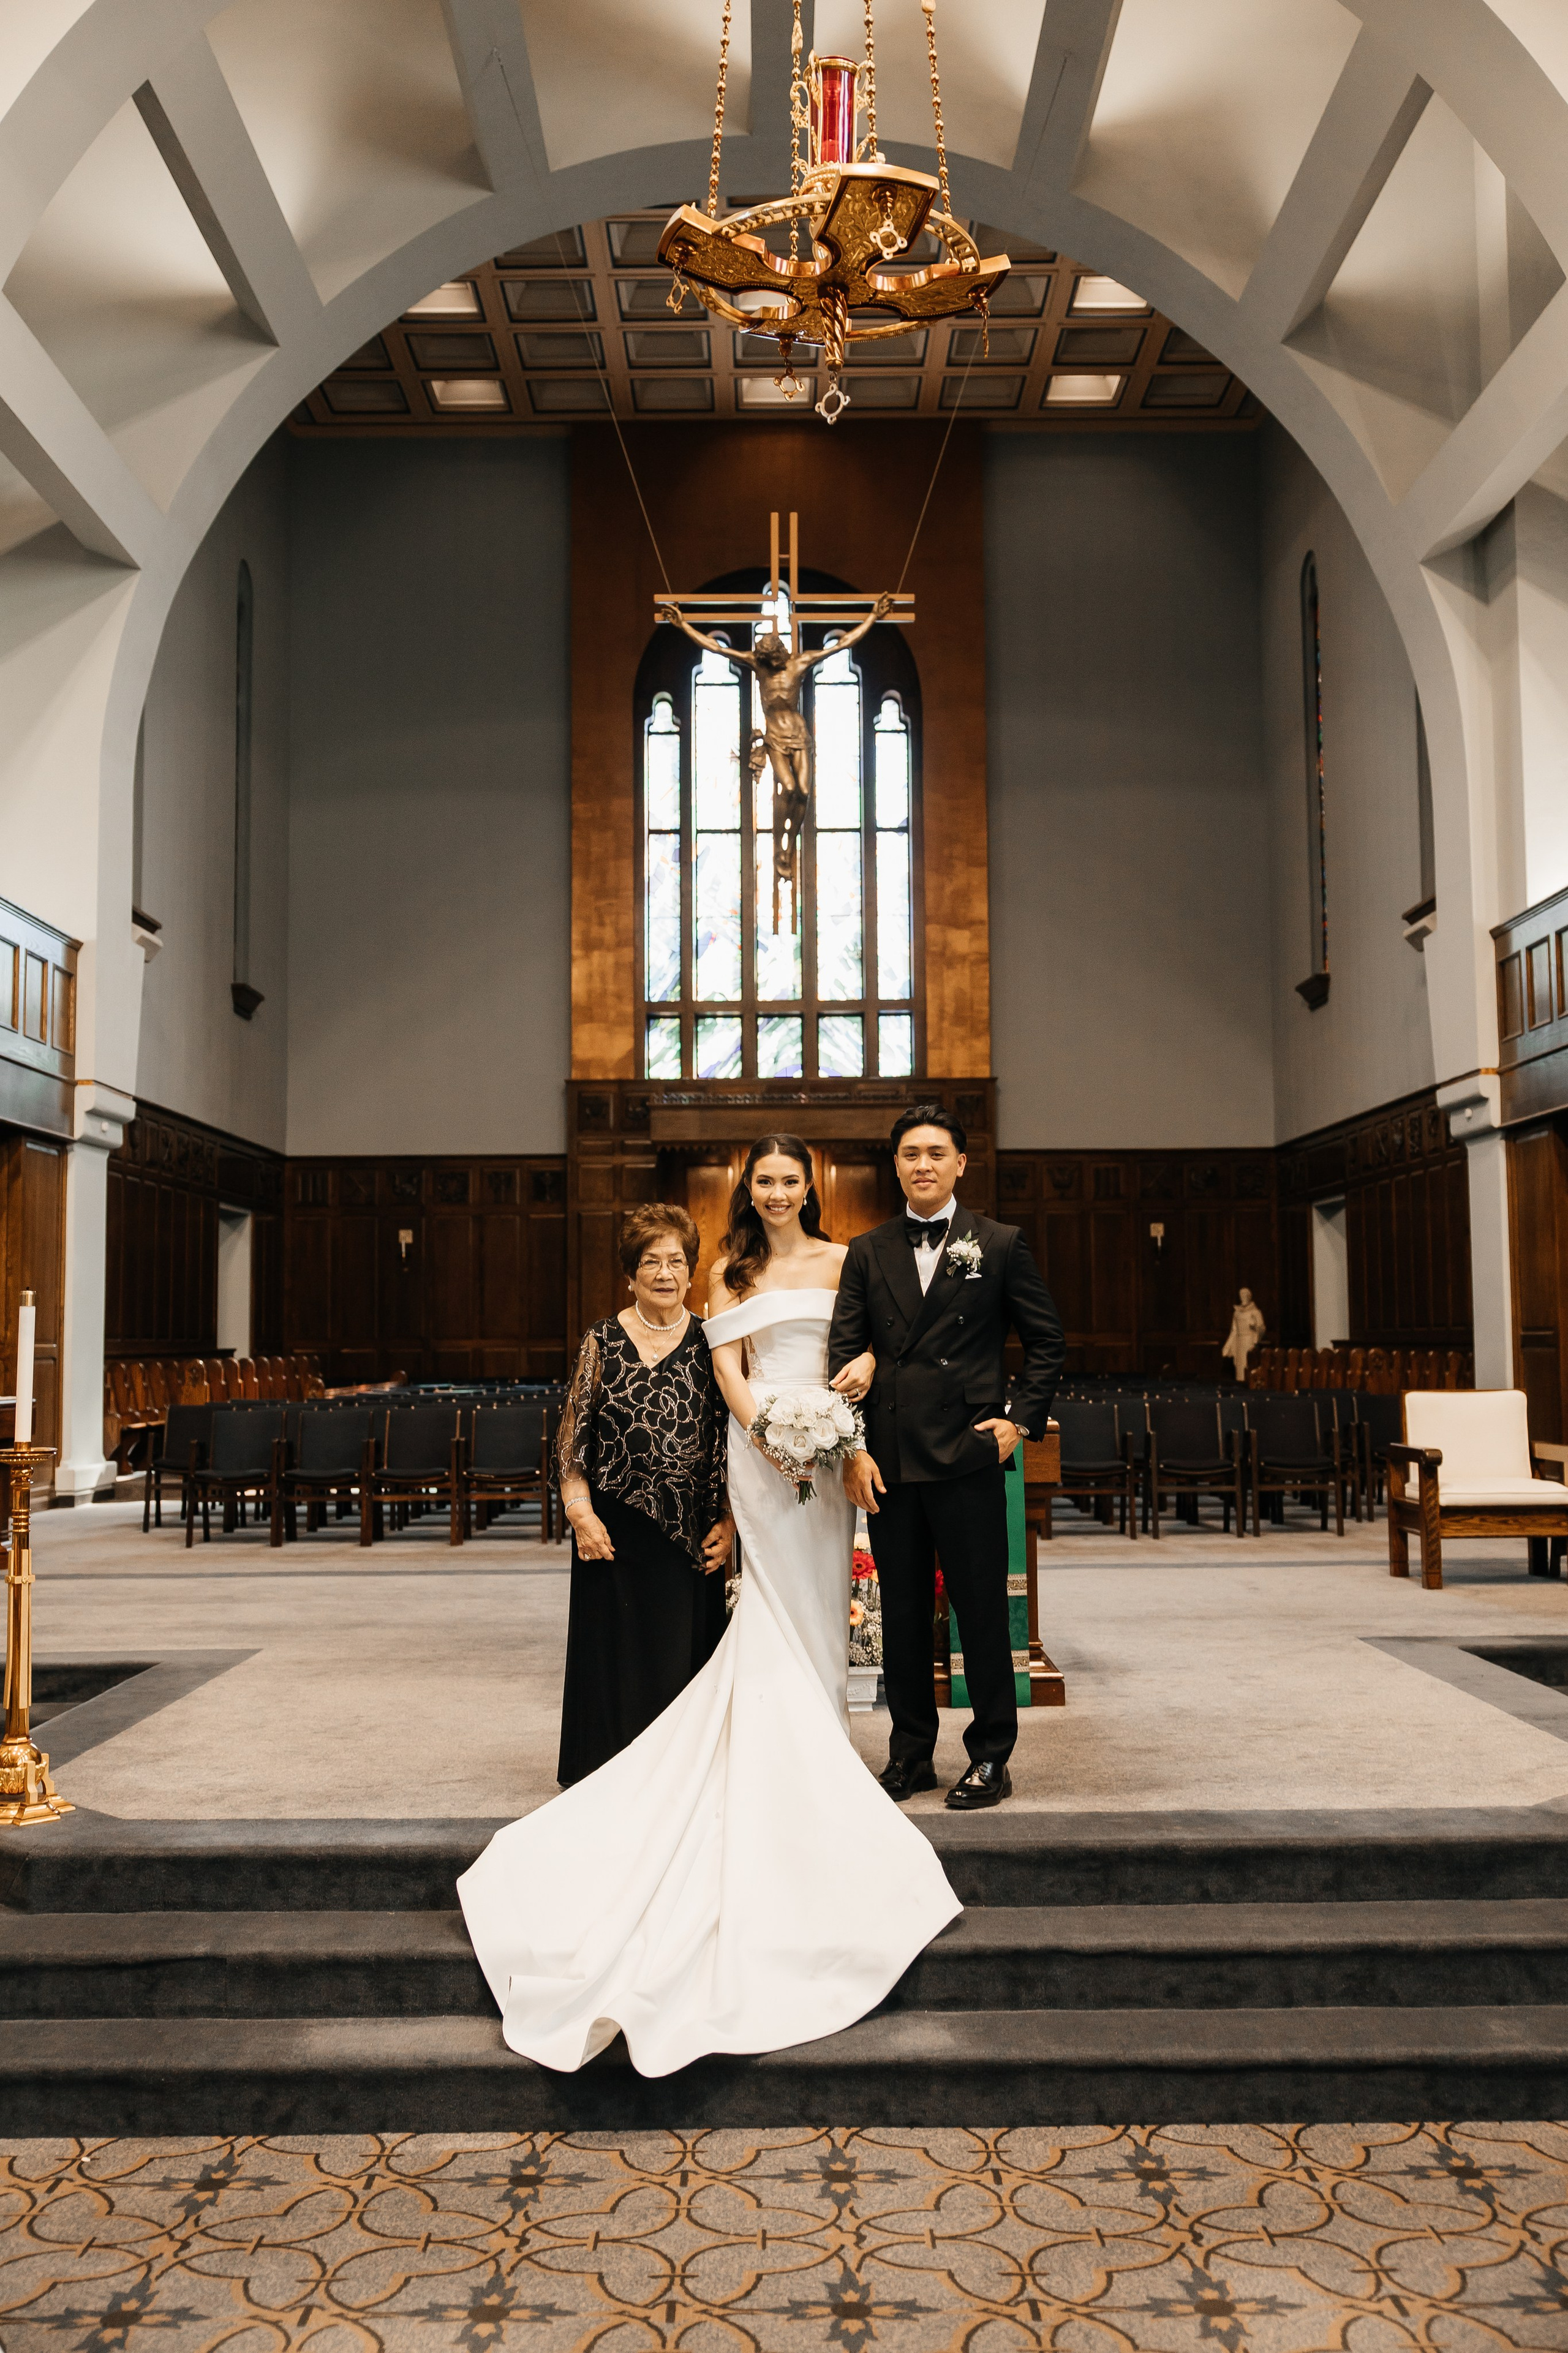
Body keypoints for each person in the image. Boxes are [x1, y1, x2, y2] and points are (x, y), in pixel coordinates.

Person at [458, 1134, 960, 2077]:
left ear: (808, 1186)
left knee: (822, 1603)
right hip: (761, 1452)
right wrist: (765, 1430)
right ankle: (787, 1760)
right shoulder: (725, 1273)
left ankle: (825, 1750)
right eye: (762, 1179)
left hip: (826, 1443)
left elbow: (870, 1347)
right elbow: (726, 1367)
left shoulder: (849, 1260)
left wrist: (845, 1417)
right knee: (763, 1603)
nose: (776, 1191)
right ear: (748, 1189)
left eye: (787, 1178)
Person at [829, 1103, 1065, 1811]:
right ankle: (909, 1756)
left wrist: (1019, 1424)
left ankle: (991, 1755)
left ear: (961, 1163)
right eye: (910, 1154)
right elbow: (844, 1353)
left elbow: (1047, 1340)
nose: (923, 1164)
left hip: (966, 1455)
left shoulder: (998, 1242)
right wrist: (854, 1447)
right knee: (899, 1614)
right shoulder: (867, 1250)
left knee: (978, 1613)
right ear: (895, 1166)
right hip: (892, 1459)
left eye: (936, 1153)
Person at [554, 1203, 732, 1788]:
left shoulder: (714, 1342)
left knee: (680, 1656)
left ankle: (675, 1771)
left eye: (676, 1261)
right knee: (614, 1656)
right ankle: (608, 1768)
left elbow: (731, 1443)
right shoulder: (601, 1340)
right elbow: (572, 1440)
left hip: (689, 1532)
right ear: (630, 1274)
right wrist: (580, 1513)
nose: (664, 1272)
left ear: (691, 1270)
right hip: (614, 1532)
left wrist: (729, 1524)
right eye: (650, 1261)